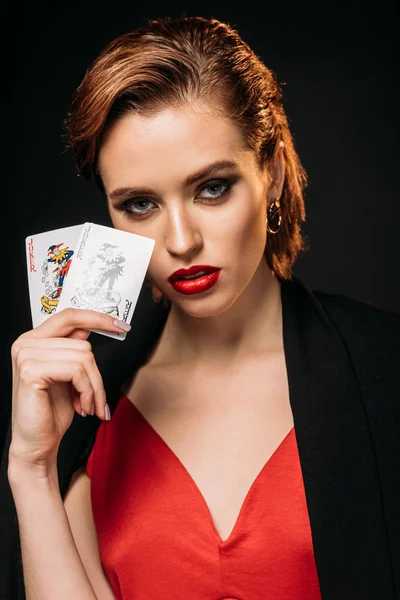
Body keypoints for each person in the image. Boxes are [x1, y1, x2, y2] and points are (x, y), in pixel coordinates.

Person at [2, 15, 400, 600]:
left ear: (272, 172)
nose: (181, 240)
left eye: (211, 188)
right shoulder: (88, 415)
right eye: (140, 204)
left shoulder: (386, 370)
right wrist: (32, 471)